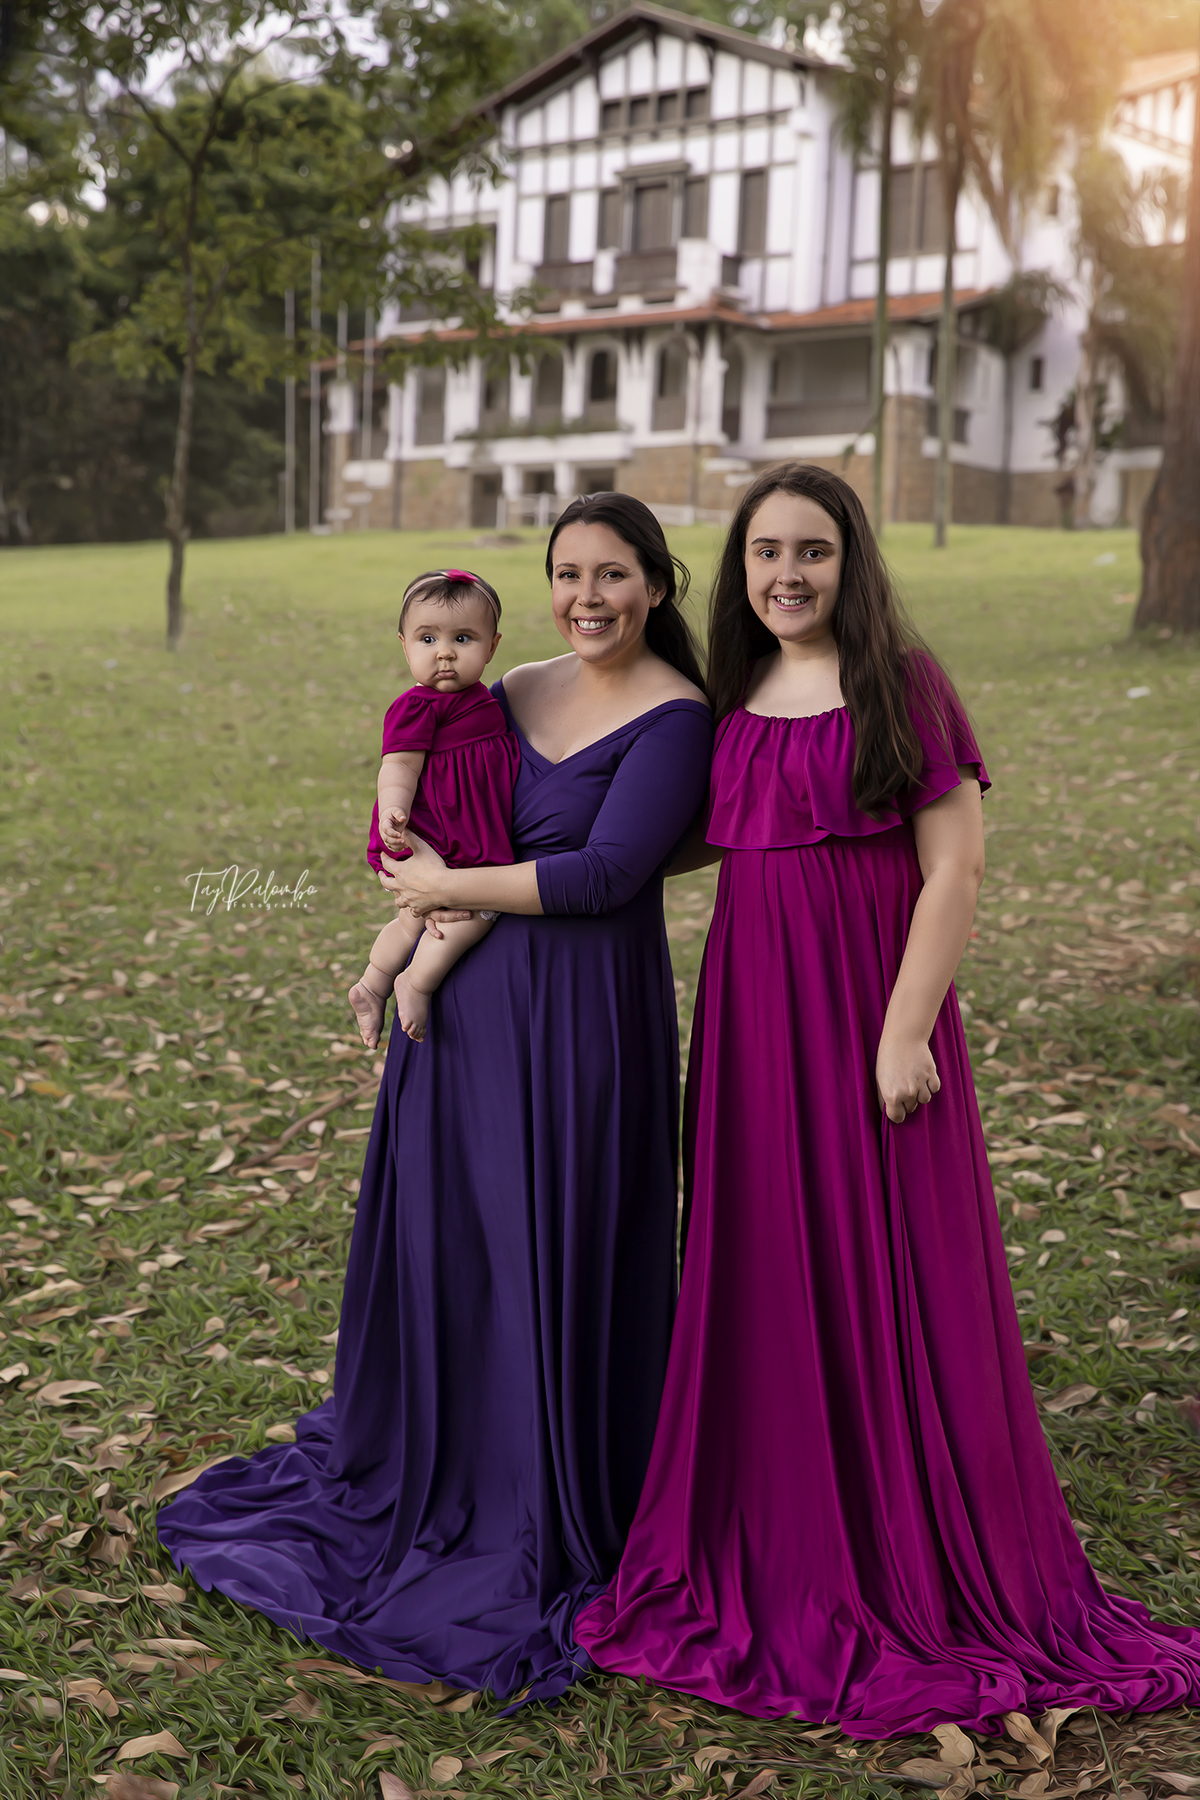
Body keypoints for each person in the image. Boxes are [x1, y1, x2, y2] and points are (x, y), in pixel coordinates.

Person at [575, 462, 1200, 1735]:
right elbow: (673, 840)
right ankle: (787, 1526)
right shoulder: (733, 697)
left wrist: (904, 1031)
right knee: (764, 1269)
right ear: (739, 571)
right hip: (754, 1025)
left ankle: (911, 1537)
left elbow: (955, 867)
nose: (787, 574)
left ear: (852, 563)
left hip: (871, 1019)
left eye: (812, 550)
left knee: (894, 1274)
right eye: (765, 554)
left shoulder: (902, 686)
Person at [157, 493, 712, 1706]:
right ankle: (439, 1448)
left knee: (545, 1242)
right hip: (455, 1012)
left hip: (578, 1017)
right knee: (457, 1237)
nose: (588, 597)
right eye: (568, 573)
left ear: (657, 586)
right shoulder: (511, 683)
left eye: (613, 574)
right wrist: (406, 869)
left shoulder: (677, 716)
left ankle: (537, 1482)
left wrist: (449, 883)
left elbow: (610, 872)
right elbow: (423, 793)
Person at [347, 567, 518, 1048]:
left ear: (492, 646)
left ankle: (372, 983)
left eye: (463, 638)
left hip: (464, 830)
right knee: (476, 915)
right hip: (437, 836)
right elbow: (398, 767)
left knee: (412, 921)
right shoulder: (418, 706)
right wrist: (392, 814)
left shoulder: (486, 700)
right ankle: (414, 982)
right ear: (404, 645)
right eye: (427, 639)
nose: (444, 652)